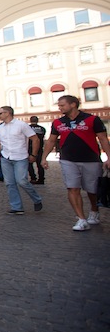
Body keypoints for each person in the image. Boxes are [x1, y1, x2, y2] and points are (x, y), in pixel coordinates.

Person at [41, 95, 110, 231]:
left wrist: (109, 157)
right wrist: (44, 157)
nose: (59, 107)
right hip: (68, 159)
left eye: (62, 105)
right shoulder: (57, 122)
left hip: (91, 159)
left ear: (73, 104)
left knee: (92, 190)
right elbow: (51, 140)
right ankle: (81, 219)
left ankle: (94, 211)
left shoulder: (92, 120)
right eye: (59, 105)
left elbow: (102, 139)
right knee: (72, 188)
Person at [0, 106, 42, 215]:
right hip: (6, 157)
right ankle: (17, 207)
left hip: (20, 157)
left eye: (0, 113)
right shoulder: (0, 127)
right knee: (9, 183)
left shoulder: (21, 125)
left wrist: (34, 154)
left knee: (22, 181)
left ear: (8, 113)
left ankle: (36, 199)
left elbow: (35, 139)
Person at [28, 116, 46, 184]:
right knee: (40, 165)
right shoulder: (42, 128)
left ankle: (33, 178)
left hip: (30, 148)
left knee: (29, 164)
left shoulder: (28, 128)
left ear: (30, 120)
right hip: (40, 148)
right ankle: (41, 179)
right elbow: (43, 137)